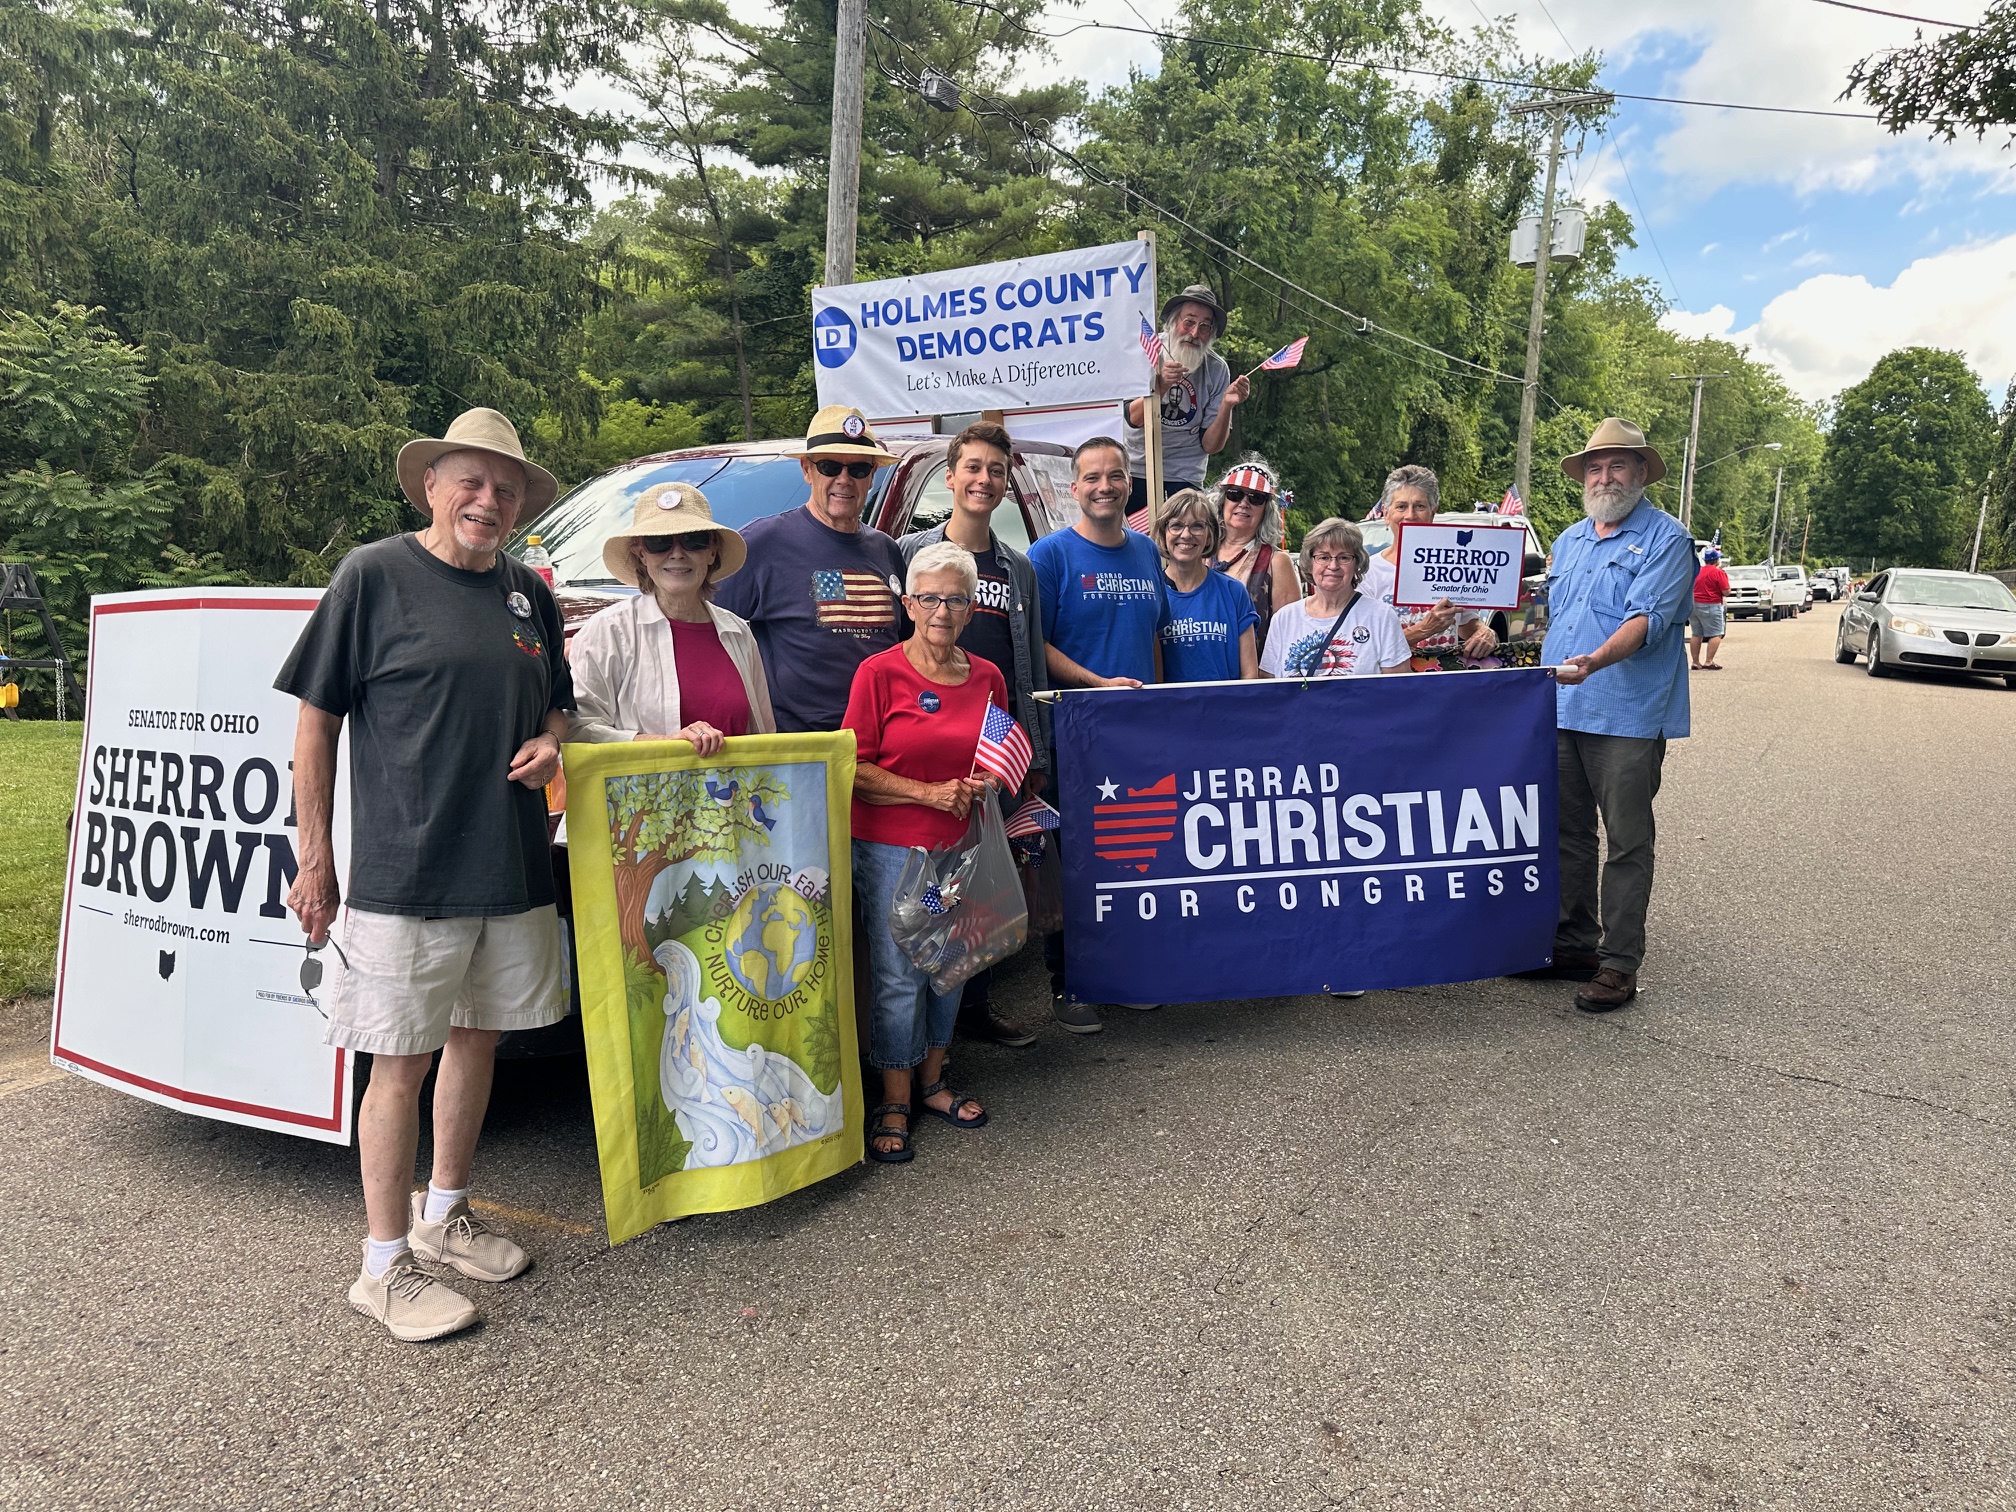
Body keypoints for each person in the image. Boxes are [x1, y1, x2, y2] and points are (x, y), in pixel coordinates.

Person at [276, 407, 572, 1342]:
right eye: (470, 482)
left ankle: (444, 1215)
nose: (489, 499)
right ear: (434, 488)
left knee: (479, 1040)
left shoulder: (530, 594)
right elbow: (314, 726)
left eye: (506, 487)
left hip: (513, 865)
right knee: (397, 1065)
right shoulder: (374, 576)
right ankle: (383, 1265)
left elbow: (559, 706)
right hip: (410, 872)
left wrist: (550, 741)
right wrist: (314, 859)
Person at [841, 542, 1004, 1163]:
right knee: (898, 975)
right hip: (892, 850)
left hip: (959, 852)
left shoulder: (986, 677)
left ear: (970, 610)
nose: (941, 610)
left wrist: (984, 784)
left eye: (955, 599)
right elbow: (853, 766)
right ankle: (895, 1097)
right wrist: (929, 793)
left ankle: (934, 1081)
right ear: (908, 604)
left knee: (951, 966)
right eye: (929, 597)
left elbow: (994, 757)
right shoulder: (879, 674)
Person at [1527, 417, 1696, 1014]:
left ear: (1643, 472)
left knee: (1627, 840)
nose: (1605, 476)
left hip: (1625, 714)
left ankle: (1620, 963)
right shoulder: (1569, 540)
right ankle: (1575, 944)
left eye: (1618, 465)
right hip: (1561, 706)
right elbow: (1544, 617)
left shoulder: (1668, 541)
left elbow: (1647, 621)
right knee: (1567, 834)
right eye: (1595, 467)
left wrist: (1595, 660)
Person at [898, 421, 1051, 1050]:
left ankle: (975, 1007)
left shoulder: (1019, 568)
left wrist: (1034, 752)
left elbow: (1031, 666)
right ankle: (919, 1021)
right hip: (926, 745)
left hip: (992, 748)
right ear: (952, 474)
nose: (983, 480)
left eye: (995, 470)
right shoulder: (907, 554)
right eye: (972, 467)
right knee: (922, 889)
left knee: (983, 880)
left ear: (1007, 481)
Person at [1027, 436, 1171, 1035]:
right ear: (1075, 487)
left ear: (1129, 483)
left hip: (1136, 735)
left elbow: (1156, 636)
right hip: (1077, 733)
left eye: (1115, 475)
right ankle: (1072, 984)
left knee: (1135, 854)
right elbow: (1033, 643)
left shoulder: (1145, 552)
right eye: (1092, 478)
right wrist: (1097, 683)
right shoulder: (1050, 556)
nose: (1105, 486)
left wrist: (1159, 707)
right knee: (1078, 862)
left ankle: (1127, 972)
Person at [714, 406, 907, 732]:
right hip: (801, 752)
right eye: (830, 466)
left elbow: (905, 649)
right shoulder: (761, 544)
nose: (844, 479)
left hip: (882, 745)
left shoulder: (887, 550)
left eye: (858, 469)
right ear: (807, 470)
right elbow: (707, 634)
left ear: (872, 476)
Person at [567, 482, 775, 748]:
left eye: (693, 540)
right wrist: (666, 743)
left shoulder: (738, 632)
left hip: (738, 791)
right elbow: (576, 730)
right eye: (659, 542)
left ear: (712, 551)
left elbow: (765, 737)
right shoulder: (608, 631)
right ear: (640, 553)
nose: (677, 554)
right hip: (640, 790)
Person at [1120, 284, 1247, 520]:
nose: (1194, 333)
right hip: (1137, 468)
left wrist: (1227, 406)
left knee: (1182, 543)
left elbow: (1211, 446)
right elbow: (1132, 419)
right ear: (1173, 321)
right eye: (1188, 322)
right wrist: (1159, 387)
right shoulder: (1146, 352)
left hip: (1185, 477)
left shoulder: (1217, 369)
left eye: (1205, 326)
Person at [1359, 464, 1499, 668]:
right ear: (1386, 514)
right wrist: (1424, 629)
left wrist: (1486, 633)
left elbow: (1467, 624)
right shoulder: (1368, 574)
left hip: (1442, 687)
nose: (1410, 515)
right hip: (1389, 689)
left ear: (1433, 513)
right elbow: (1363, 646)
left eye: (1419, 506)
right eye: (1401, 506)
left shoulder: (1452, 567)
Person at [1259, 517, 1410, 679]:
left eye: (1344, 557)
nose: (1333, 566)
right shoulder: (1284, 619)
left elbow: (1397, 690)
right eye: (1323, 557)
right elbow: (1269, 684)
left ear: (1357, 563)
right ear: (1310, 563)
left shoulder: (1381, 617)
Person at [1155, 488, 1259, 682]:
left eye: (1197, 526)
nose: (1186, 535)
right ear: (1163, 533)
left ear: (1210, 535)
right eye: (1176, 526)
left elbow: (1249, 675)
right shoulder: (1152, 594)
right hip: (1169, 710)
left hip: (1225, 710)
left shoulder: (1233, 592)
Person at [1207, 454, 1302, 646]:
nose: (1244, 503)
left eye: (1256, 498)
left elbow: (1290, 634)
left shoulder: (1277, 562)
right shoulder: (1201, 552)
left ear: (1266, 509)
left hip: (1255, 672)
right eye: (1235, 494)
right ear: (1222, 501)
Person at [1691, 547, 1729, 671]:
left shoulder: (1697, 571)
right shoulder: (1718, 572)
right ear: (1716, 560)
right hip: (1711, 604)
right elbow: (1726, 591)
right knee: (1716, 633)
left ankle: (1695, 662)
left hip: (1694, 605)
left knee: (1696, 633)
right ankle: (1709, 661)